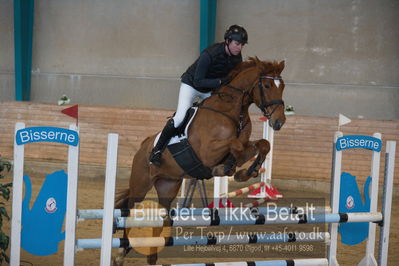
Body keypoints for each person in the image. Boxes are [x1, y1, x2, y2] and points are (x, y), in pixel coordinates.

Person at [149, 24, 248, 167]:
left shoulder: (237, 58)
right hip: (191, 86)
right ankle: (156, 151)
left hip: (209, 90)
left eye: (242, 45)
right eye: (237, 44)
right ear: (228, 41)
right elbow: (198, 80)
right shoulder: (209, 54)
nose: (239, 48)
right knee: (179, 117)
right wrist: (220, 81)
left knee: (217, 116)